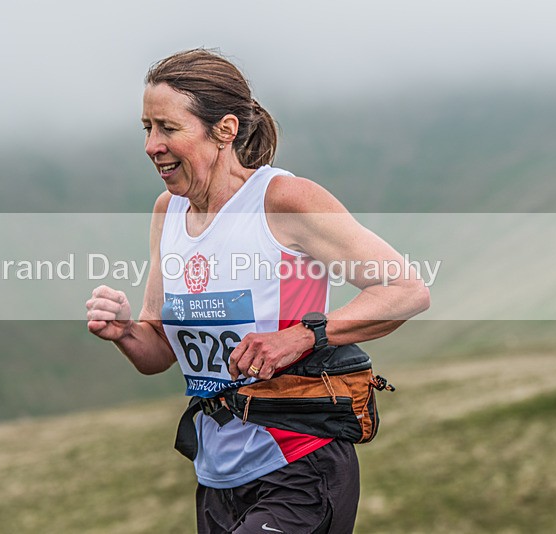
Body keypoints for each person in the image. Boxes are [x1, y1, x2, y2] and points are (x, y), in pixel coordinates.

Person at [86, 48, 430, 534]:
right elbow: (159, 349)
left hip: (300, 464)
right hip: (217, 475)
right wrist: (125, 331)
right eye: (147, 128)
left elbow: (406, 289)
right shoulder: (168, 211)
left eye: (168, 128)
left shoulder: (283, 200)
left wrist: (301, 336)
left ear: (224, 130)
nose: (151, 146)